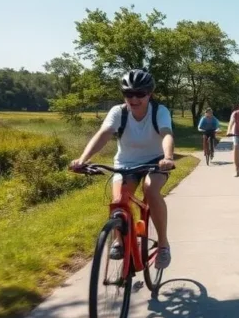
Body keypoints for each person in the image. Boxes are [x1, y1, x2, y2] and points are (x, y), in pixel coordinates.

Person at [69, 69, 176, 269]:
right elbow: (104, 133)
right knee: (118, 201)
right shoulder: (118, 112)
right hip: (126, 163)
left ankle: (163, 245)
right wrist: (83, 159)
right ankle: (119, 240)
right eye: (128, 94)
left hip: (156, 161)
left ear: (149, 94)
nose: (134, 99)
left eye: (140, 94)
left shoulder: (159, 111)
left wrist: (168, 158)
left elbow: (166, 133)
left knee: (151, 190)